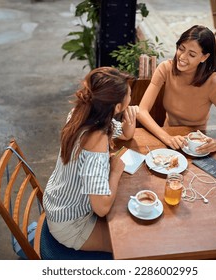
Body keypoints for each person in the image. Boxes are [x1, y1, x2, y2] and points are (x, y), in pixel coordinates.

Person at [43, 67, 139, 252]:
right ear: (117, 107)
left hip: (58, 203)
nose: (130, 96)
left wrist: (129, 118)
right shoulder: (97, 139)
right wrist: (116, 172)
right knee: (132, 246)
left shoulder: (83, 113)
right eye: (128, 94)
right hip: (72, 225)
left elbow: (126, 135)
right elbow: (101, 208)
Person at [137, 25, 216, 155]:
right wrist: (167, 137)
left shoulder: (214, 83)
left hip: (196, 146)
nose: (182, 57)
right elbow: (141, 111)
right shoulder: (165, 69)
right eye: (181, 49)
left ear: (204, 57)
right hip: (168, 138)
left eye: (192, 54)